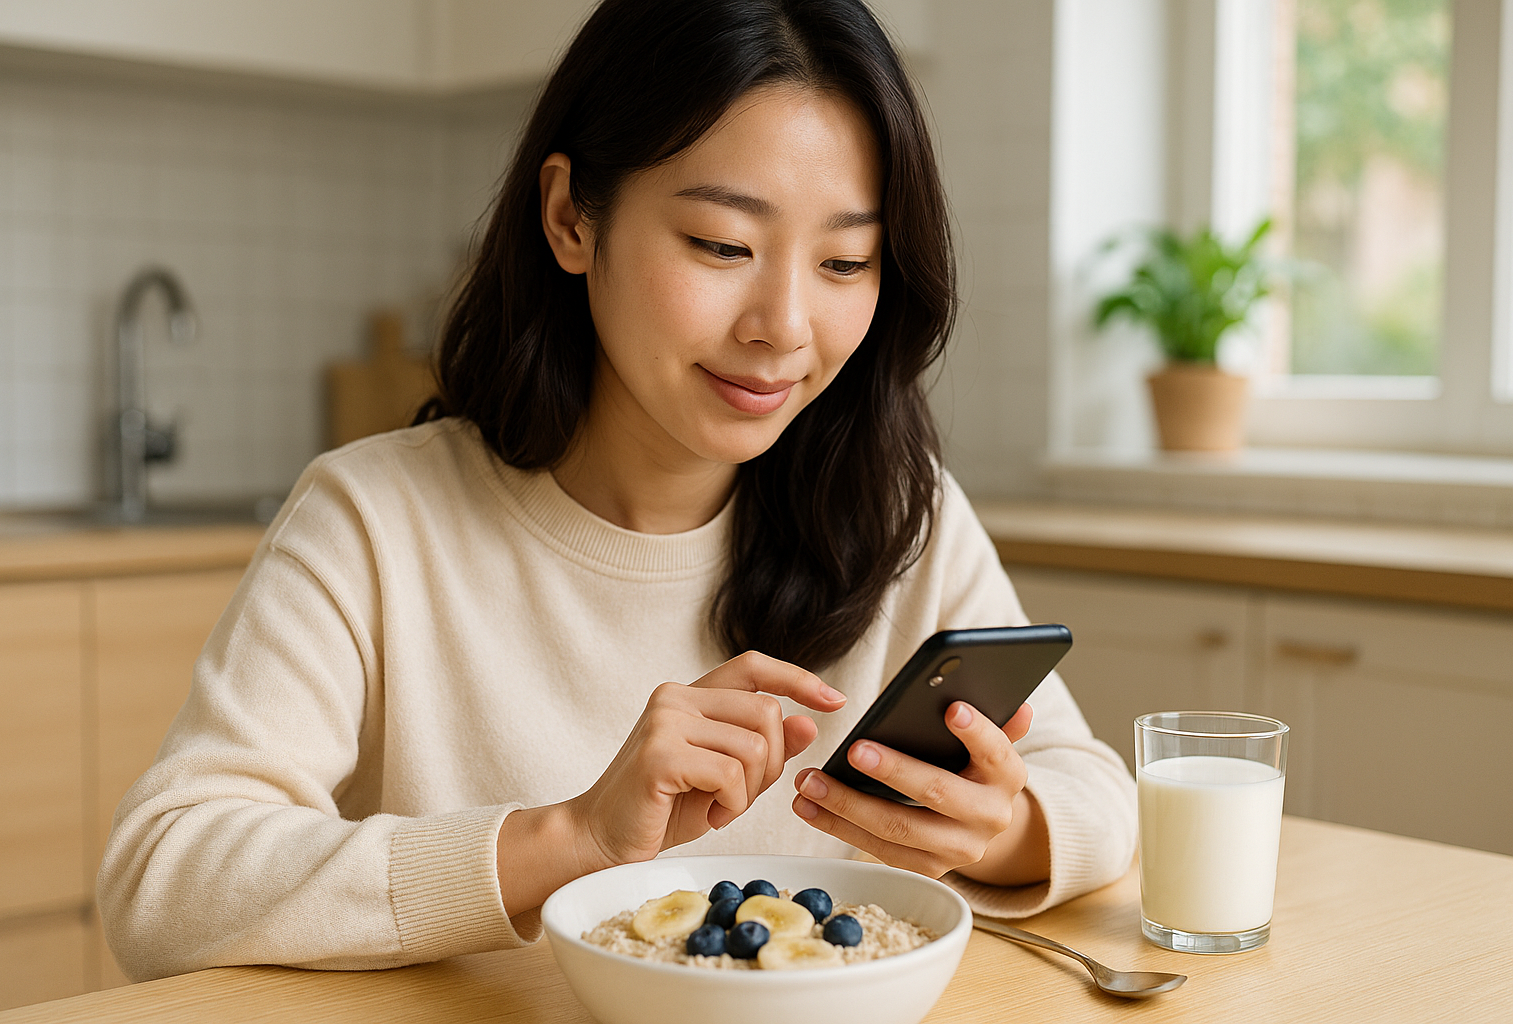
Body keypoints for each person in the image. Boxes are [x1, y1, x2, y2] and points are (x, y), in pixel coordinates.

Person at [97, 0, 1136, 982]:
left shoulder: (899, 512)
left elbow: (1097, 793)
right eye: (722, 245)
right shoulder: (375, 522)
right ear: (570, 219)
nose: (782, 326)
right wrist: (570, 838)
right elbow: (164, 880)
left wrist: (1002, 829)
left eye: (844, 261)